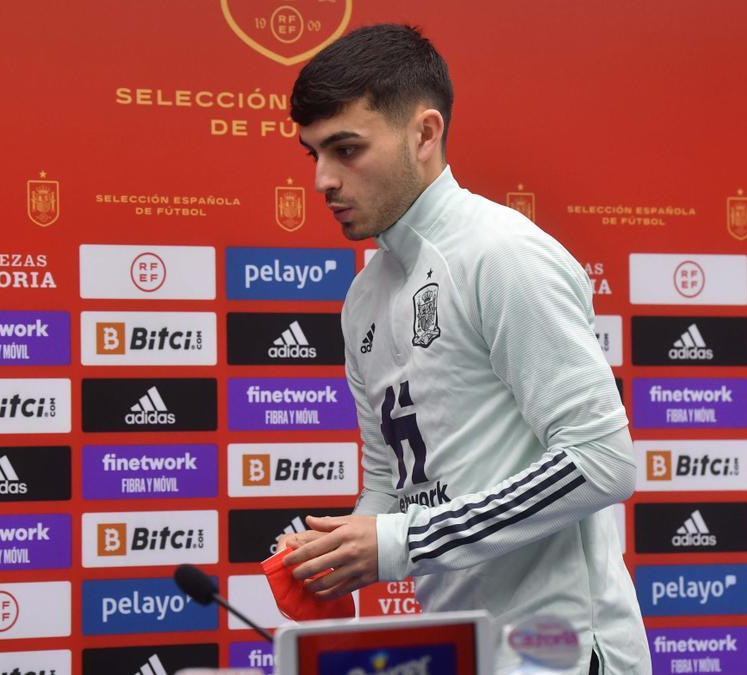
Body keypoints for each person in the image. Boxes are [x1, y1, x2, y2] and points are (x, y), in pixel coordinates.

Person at [277, 24, 651, 674]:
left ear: (424, 134)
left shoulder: (500, 252)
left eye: (346, 149)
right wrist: (341, 546)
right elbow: (392, 487)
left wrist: (403, 541)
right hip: (453, 651)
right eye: (313, 154)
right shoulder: (363, 297)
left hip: (561, 654)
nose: (322, 180)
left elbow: (601, 459)